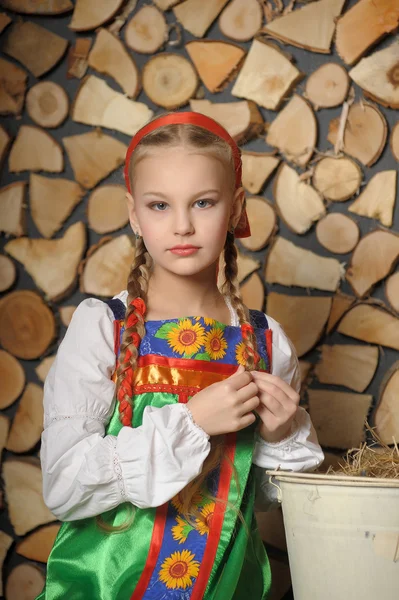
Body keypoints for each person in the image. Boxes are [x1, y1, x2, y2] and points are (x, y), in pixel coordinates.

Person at [36, 111, 324, 600]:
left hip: (226, 587)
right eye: (159, 205)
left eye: (203, 202)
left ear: (235, 208)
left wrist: (280, 436)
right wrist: (191, 421)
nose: (183, 225)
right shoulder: (104, 327)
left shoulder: (267, 342)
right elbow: (63, 486)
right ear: (133, 213)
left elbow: (270, 504)